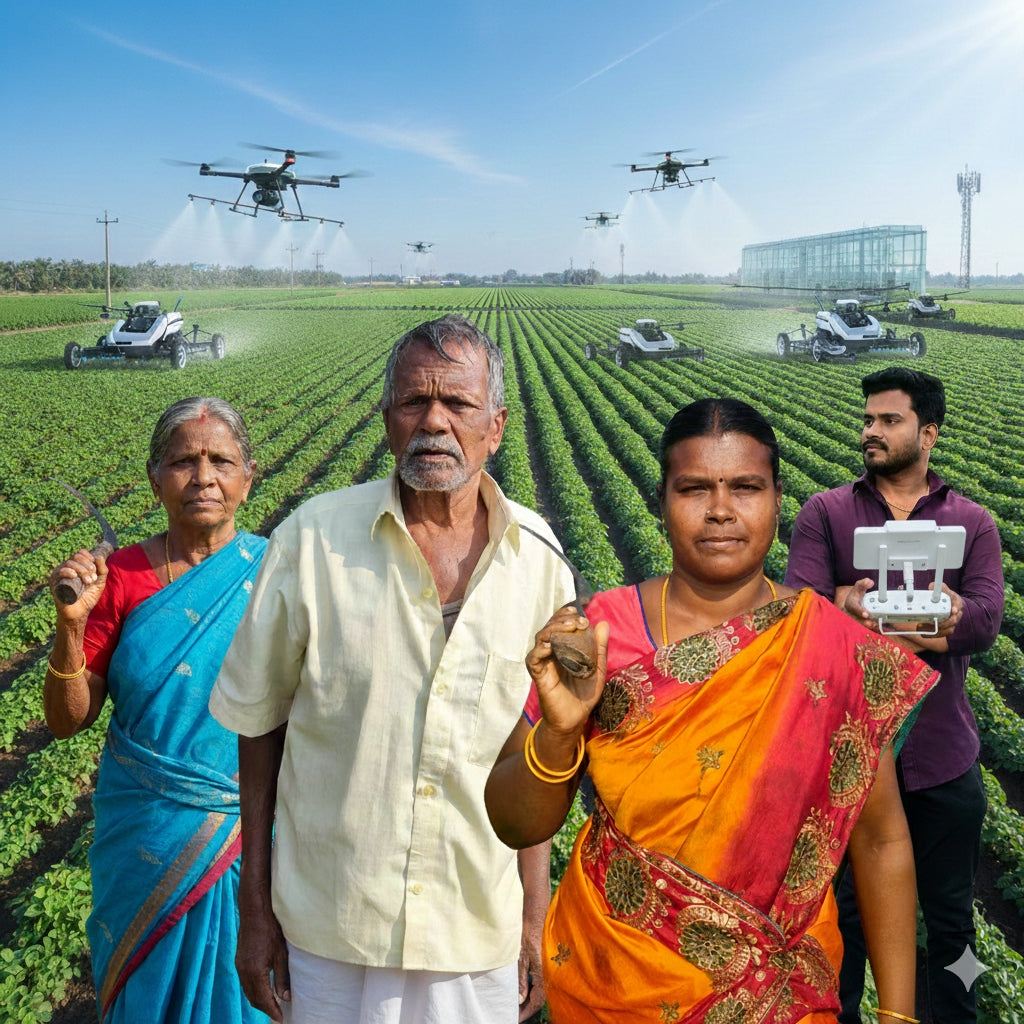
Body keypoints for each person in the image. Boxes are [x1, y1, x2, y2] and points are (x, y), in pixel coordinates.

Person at [486, 397, 937, 1024]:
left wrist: (898, 1014)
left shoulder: (830, 648)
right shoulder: (603, 632)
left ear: (778, 499)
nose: (721, 510)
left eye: (745, 487)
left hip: (780, 996)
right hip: (614, 982)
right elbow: (515, 823)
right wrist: (561, 732)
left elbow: (883, 839)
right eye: (695, 488)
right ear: (662, 498)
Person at [208, 314, 575, 1024]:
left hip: (476, 930)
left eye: (458, 404)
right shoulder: (311, 540)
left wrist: (535, 913)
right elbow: (259, 731)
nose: (434, 422)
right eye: (413, 402)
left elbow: (534, 752)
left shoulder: (540, 561)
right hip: (333, 926)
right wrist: (254, 906)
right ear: (386, 420)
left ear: (494, 426)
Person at [784, 367, 1004, 1023]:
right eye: (868, 420)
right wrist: (922, 617)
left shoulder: (972, 523)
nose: (870, 432)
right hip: (845, 760)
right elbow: (802, 613)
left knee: (951, 930)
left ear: (927, 433)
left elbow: (985, 620)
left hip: (940, 758)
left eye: (888, 420)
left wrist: (863, 608)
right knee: (839, 927)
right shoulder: (827, 513)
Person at [44, 397, 269, 1024]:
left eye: (221, 461)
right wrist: (70, 628)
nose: (203, 477)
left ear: (247, 479)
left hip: (247, 834)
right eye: (183, 461)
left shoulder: (277, 573)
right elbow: (68, 720)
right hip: (145, 836)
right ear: (155, 478)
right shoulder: (117, 579)